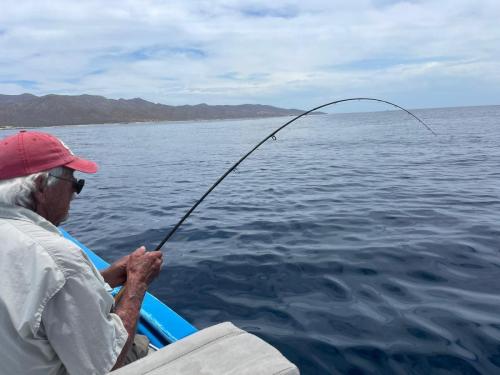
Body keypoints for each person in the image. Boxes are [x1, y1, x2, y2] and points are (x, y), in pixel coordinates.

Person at [0, 130, 163, 374]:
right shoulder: (59, 258)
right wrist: (137, 282)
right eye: (75, 183)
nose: (75, 194)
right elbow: (107, 365)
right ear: (41, 186)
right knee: (138, 344)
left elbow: (26, 288)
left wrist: (105, 276)